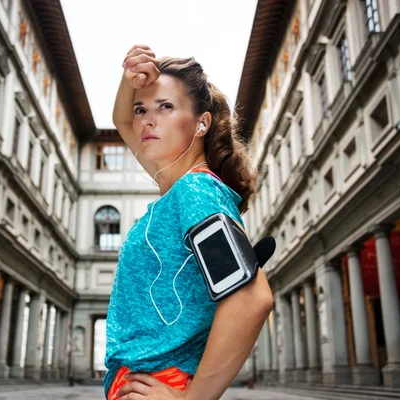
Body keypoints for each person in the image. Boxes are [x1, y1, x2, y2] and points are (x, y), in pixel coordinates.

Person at [104, 44, 274, 400]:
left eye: (165, 106)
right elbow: (122, 121)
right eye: (142, 109)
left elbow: (251, 298)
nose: (147, 120)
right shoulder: (176, 189)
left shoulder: (195, 190)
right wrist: (129, 80)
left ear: (202, 123)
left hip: (164, 384)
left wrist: (194, 399)